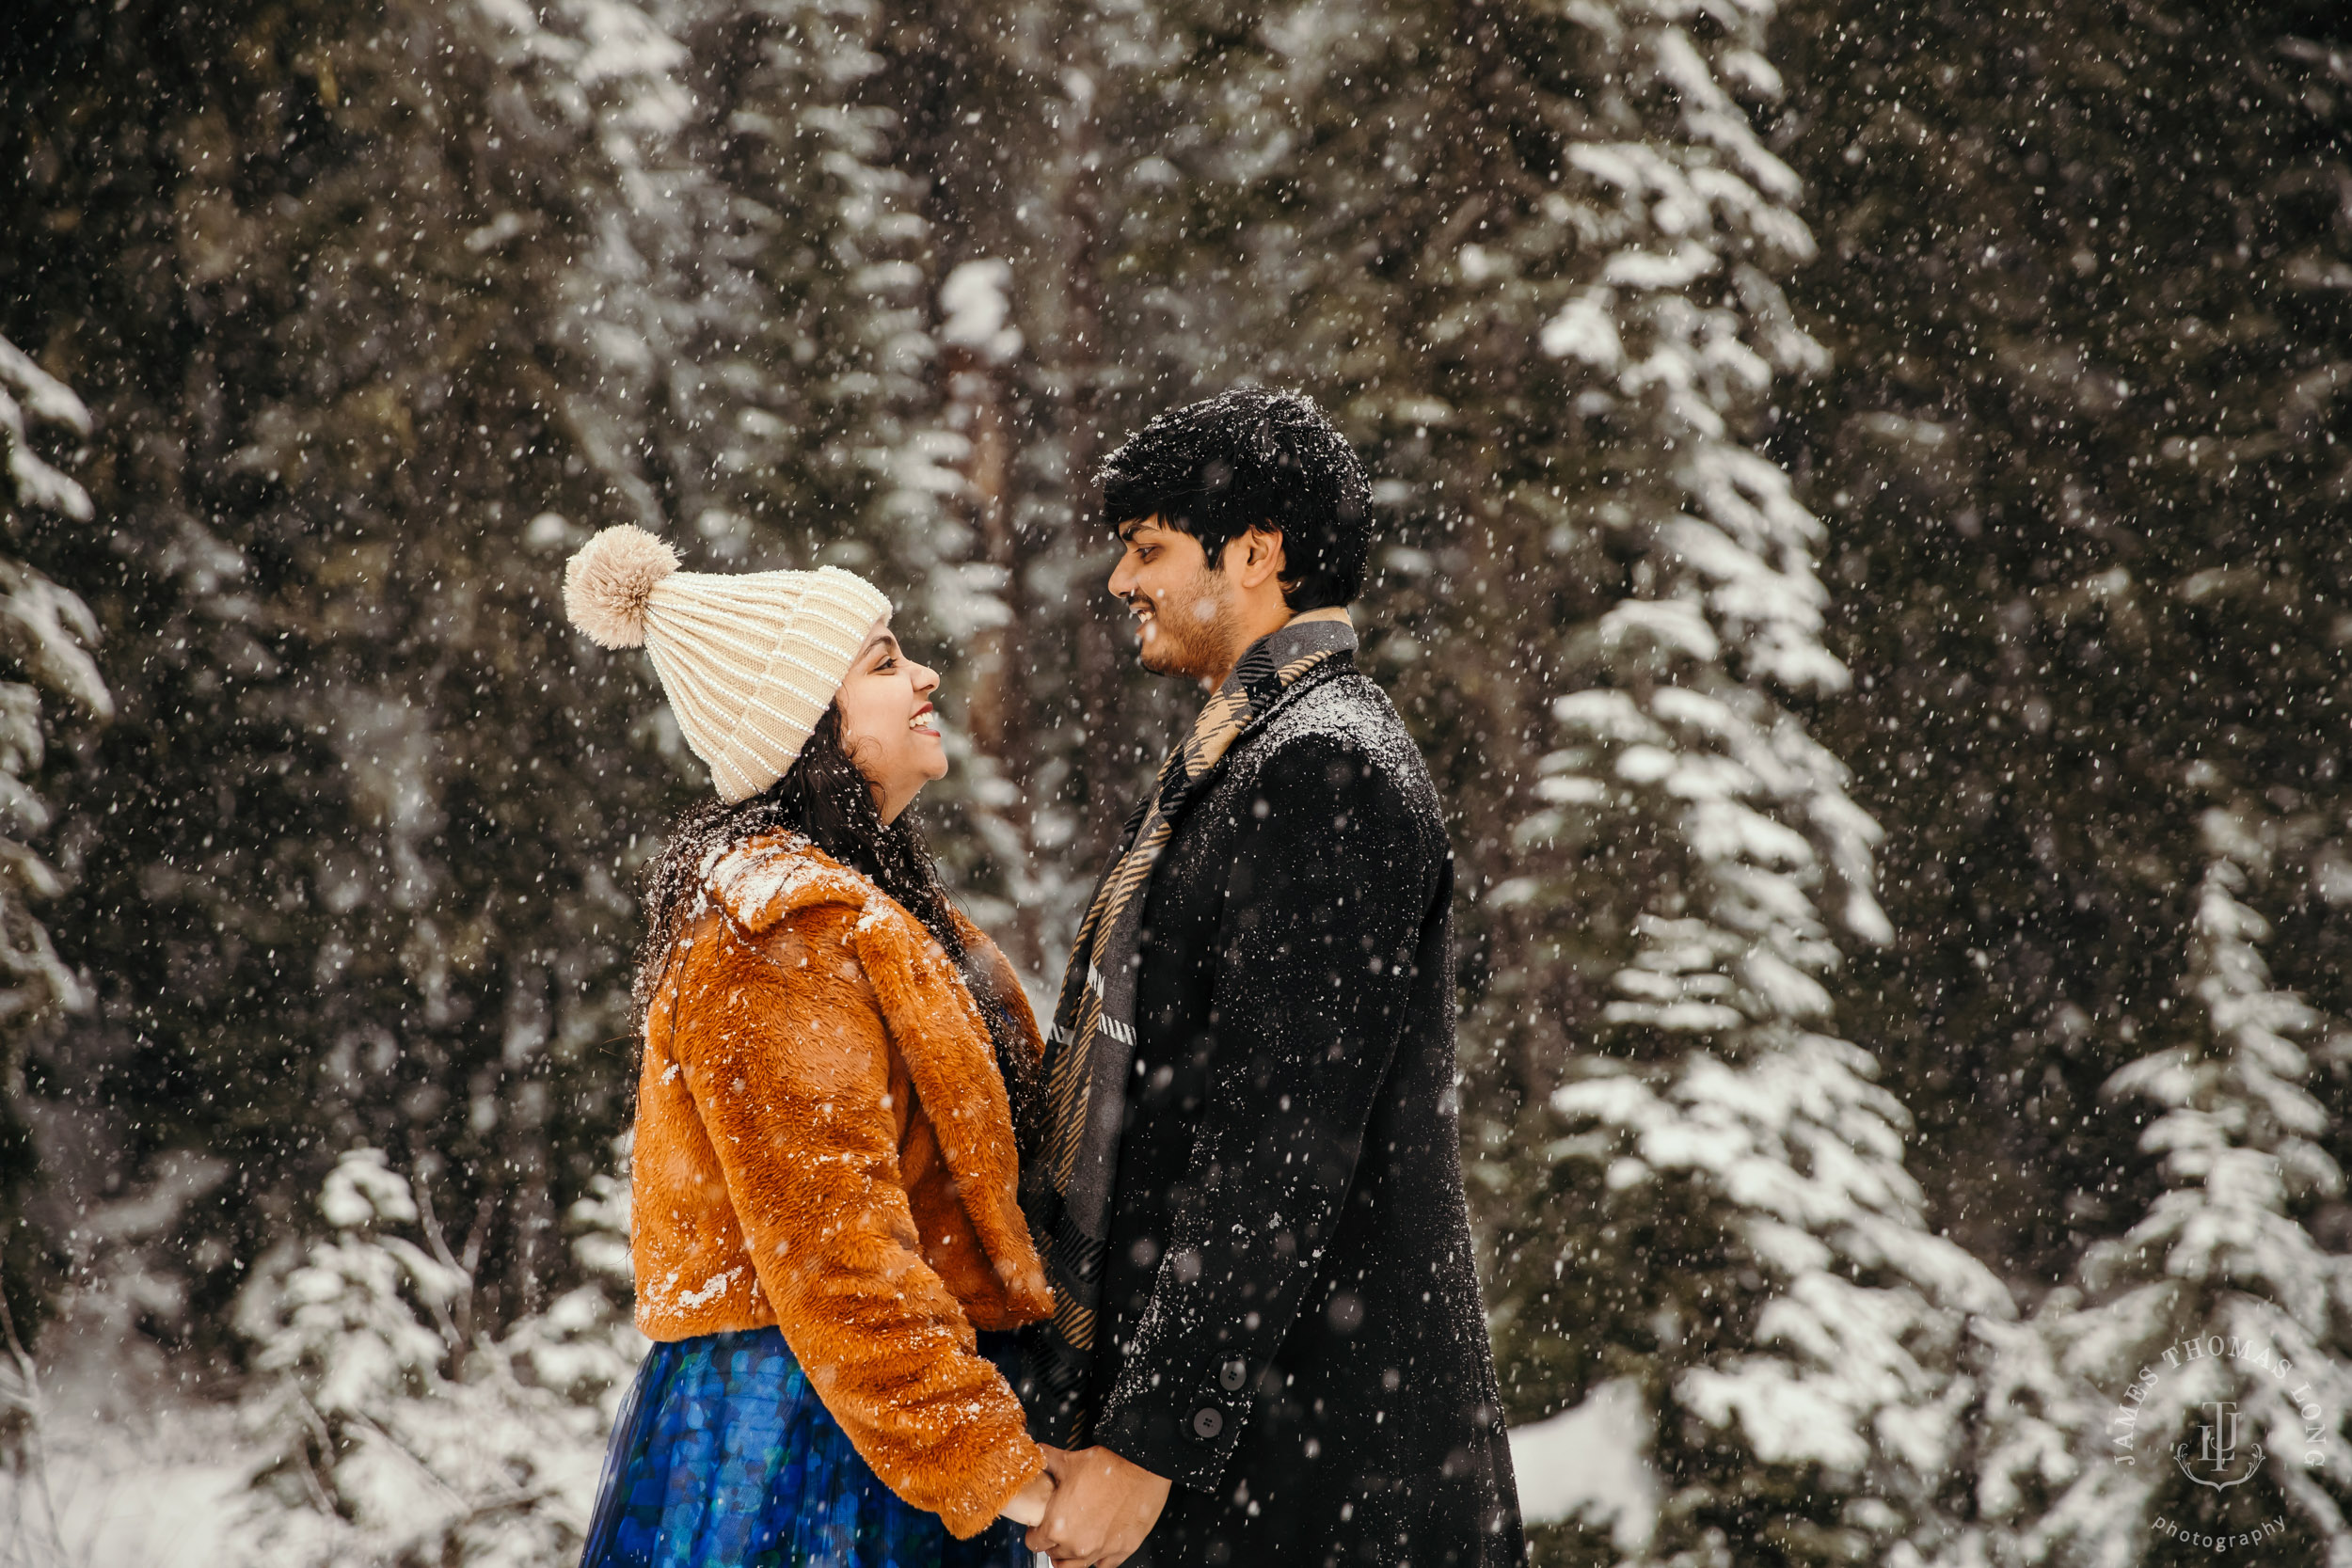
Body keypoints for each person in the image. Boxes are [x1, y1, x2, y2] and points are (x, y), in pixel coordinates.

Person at [1018, 389, 1525, 1567]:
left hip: (1322, 1480)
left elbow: (1278, 1141)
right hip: (1270, 1463)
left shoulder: (1325, 769)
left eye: (1148, 548)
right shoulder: (1252, 752)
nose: (1118, 582)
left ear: (1255, 553)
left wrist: (1147, 1444)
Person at [561, 525, 1056, 1566]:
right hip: (808, 1451)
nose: (922, 673)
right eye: (881, 661)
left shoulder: (871, 912)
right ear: (807, 724)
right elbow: (837, 1262)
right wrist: (1006, 1475)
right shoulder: (775, 937)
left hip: (877, 1424)